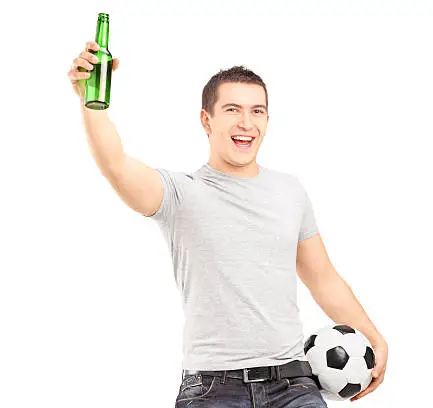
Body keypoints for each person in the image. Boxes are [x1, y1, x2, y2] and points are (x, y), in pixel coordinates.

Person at [68, 40, 388, 407]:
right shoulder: (180, 194)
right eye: (232, 109)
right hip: (212, 389)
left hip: (293, 385)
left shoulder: (290, 191)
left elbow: (322, 278)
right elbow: (115, 162)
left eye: (257, 111)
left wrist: (372, 335)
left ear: (267, 120)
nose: (246, 123)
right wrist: (89, 101)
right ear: (207, 120)